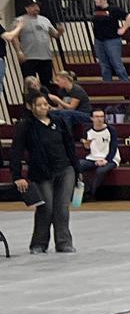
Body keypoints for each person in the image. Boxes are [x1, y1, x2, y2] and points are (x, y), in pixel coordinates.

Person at [10, 93, 78, 252]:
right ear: (31, 106)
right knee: (45, 207)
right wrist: (17, 176)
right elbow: (16, 151)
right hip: (41, 173)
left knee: (62, 207)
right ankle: (39, 243)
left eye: (46, 104)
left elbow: (69, 146)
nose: (43, 107)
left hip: (65, 169)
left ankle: (64, 242)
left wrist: (77, 169)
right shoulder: (25, 125)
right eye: (39, 105)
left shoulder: (58, 121)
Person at [4, 0, 59, 93]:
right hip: (29, 57)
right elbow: (14, 37)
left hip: (45, 57)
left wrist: (60, 31)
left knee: (47, 84)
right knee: (30, 84)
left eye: (37, 6)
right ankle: (30, 106)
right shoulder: (20, 20)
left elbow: (55, 35)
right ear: (26, 8)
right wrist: (19, 52)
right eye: (33, 6)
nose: (36, 8)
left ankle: (47, 104)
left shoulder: (45, 20)